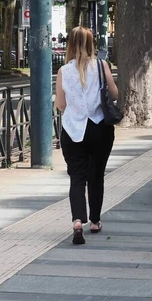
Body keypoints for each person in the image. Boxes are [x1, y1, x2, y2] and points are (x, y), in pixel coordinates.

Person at [55, 26, 118, 245]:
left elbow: (61, 105)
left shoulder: (64, 71)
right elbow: (115, 94)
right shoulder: (102, 66)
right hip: (100, 129)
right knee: (96, 175)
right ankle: (95, 221)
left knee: (77, 177)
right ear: (92, 44)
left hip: (73, 131)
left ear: (70, 45)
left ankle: (77, 222)